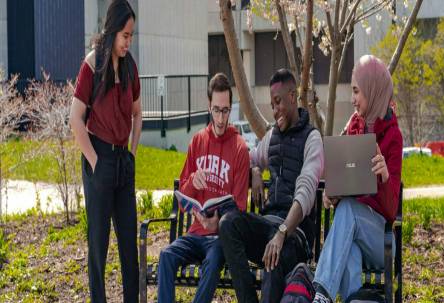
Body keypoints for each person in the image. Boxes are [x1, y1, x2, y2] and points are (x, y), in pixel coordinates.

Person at [219, 69, 324, 303]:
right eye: (272, 104)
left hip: (295, 237)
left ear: (293, 96)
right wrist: (254, 169)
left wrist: (282, 233)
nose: (275, 110)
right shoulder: (272, 136)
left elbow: (306, 192)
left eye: (278, 103)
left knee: (273, 258)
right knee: (228, 224)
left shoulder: (312, 139)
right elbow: (247, 159)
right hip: (268, 227)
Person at [311, 55, 403, 303]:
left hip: (380, 239)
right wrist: (332, 193)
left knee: (350, 210)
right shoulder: (354, 125)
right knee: (348, 247)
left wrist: (384, 176)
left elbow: (391, 210)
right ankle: (349, 299)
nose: (352, 99)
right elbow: (339, 174)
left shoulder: (393, 136)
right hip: (352, 233)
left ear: (372, 90)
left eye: (356, 91)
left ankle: (321, 292)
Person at [69, 0, 141, 302]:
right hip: (98, 158)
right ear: (112, 31)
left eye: (131, 36)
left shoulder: (130, 67)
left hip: (123, 160)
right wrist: (96, 162)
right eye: (125, 35)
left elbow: (138, 115)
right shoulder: (91, 65)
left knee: (128, 246)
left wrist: (133, 154)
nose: (128, 42)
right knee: (98, 247)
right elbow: (75, 119)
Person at [157, 73, 250, 303]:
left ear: (231, 108)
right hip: (195, 235)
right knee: (166, 256)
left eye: (226, 110)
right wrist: (191, 183)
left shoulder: (239, 149)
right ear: (209, 107)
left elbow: (239, 208)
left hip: (219, 240)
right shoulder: (197, 142)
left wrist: (217, 223)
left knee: (214, 258)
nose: (221, 118)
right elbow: (181, 203)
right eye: (216, 110)